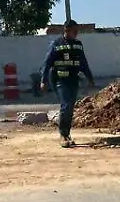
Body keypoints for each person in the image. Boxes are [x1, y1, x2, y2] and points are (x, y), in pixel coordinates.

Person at [39, 19, 95, 147]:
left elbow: (83, 63)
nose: (76, 33)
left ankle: (67, 133)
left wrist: (90, 77)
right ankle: (63, 135)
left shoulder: (78, 44)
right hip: (59, 80)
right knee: (66, 105)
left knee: (69, 107)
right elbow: (47, 64)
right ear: (66, 30)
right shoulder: (56, 44)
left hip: (73, 80)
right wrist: (43, 81)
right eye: (74, 31)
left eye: (77, 31)